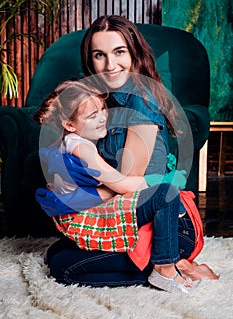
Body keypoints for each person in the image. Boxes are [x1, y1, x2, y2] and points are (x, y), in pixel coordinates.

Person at [35, 15, 218, 292]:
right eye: (100, 55)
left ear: (134, 53)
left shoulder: (140, 104)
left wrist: (82, 197)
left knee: (66, 268)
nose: (110, 65)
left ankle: (172, 264)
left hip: (164, 225)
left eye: (119, 52)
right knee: (55, 254)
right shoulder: (100, 98)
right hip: (128, 215)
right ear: (90, 60)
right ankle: (170, 263)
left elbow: (129, 187)